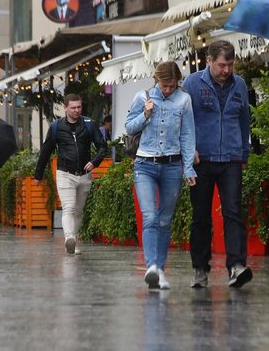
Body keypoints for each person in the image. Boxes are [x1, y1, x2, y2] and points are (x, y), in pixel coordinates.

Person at [183, 39, 253, 289]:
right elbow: (184, 120)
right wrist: (188, 151)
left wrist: (244, 153)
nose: (226, 70)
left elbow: (245, 120)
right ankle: (200, 269)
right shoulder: (192, 83)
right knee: (201, 216)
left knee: (234, 212)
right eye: (222, 65)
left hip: (231, 158)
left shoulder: (240, 85)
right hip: (202, 159)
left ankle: (236, 266)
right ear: (209, 61)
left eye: (230, 65)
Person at [125, 61, 197, 290]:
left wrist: (188, 168)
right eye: (164, 85)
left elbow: (187, 135)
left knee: (165, 220)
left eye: (172, 86)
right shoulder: (142, 97)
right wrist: (145, 114)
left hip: (172, 166)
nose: (168, 90)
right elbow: (129, 128)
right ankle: (151, 267)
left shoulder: (184, 100)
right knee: (150, 218)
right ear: (157, 80)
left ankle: (161, 270)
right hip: (144, 164)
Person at [33, 93, 108, 255]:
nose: (76, 110)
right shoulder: (56, 127)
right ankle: (69, 238)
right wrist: (38, 175)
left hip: (84, 174)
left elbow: (102, 147)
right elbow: (45, 152)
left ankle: (74, 241)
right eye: (73, 107)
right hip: (65, 173)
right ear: (65, 108)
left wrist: (95, 162)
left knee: (78, 211)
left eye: (79, 107)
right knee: (69, 208)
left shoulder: (89, 124)